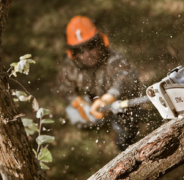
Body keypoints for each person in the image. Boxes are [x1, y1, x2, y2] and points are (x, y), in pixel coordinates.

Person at [58, 15, 140, 151]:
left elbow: (124, 78)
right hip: (94, 101)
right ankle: (102, 122)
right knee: (73, 113)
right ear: (73, 53)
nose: (87, 54)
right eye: (80, 50)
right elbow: (64, 88)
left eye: (90, 46)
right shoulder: (71, 66)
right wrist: (77, 102)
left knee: (125, 141)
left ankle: (123, 131)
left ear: (101, 42)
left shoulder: (114, 59)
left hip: (120, 103)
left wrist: (109, 98)